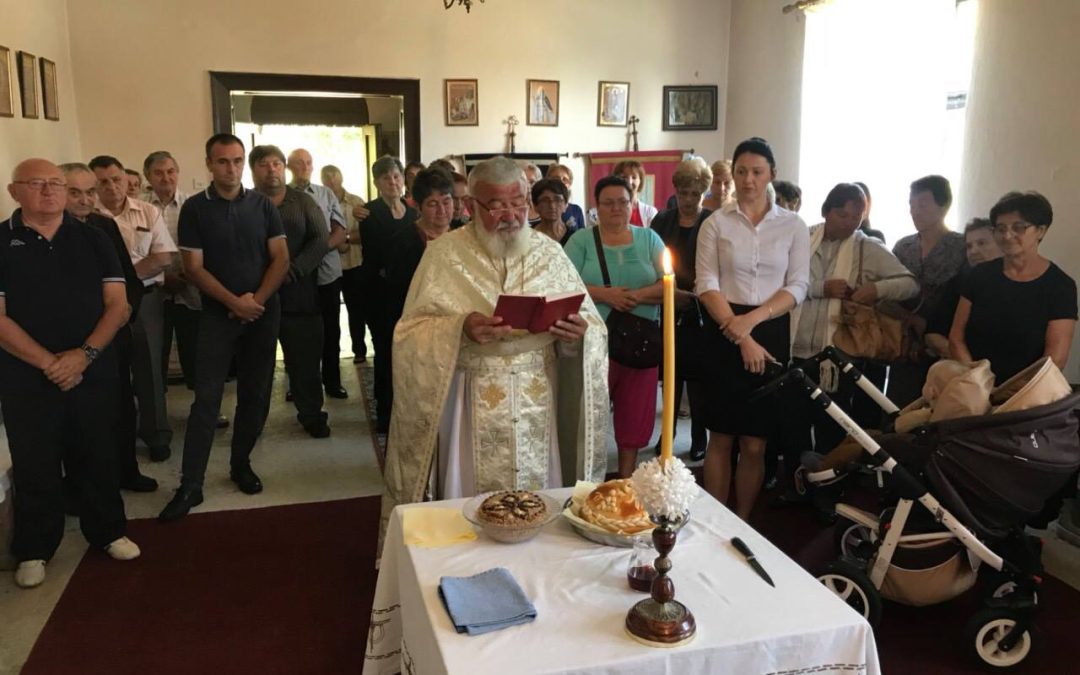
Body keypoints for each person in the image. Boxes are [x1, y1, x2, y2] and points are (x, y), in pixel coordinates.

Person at [380, 156, 608, 543]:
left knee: (539, 497)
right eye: (497, 205)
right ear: (471, 206)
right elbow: (410, 331)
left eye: (519, 203)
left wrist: (578, 335)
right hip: (469, 397)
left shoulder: (549, 253)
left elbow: (591, 324)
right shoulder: (443, 254)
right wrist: (460, 328)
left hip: (538, 394)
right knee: (469, 505)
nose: (511, 215)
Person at [1, 159, 141, 589]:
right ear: (14, 191)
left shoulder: (94, 237)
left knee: (98, 452)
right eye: (37, 183)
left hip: (92, 368)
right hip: (26, 373)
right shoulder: (2, 241)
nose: (49, 191)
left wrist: (83, 356)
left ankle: (108, 531)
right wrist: (50, 363)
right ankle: (35, 548)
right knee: (35, 461)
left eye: (55, 184)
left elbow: (117, 304)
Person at [158, 134, 290, 522]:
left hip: (262, 312)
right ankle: (191, 484)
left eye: (236, 161)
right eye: (222, 161)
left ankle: (240, 464)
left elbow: (281, 259)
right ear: (209, 164)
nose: (231, 169)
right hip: (217, 315)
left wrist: (254, 302)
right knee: (206, 400)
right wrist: (235, 303)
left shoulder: (263, 205)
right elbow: (194, 268)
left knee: (256, 393)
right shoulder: (196, 209)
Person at [694, 137, 810, 520]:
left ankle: (742, 521)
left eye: (757, 172)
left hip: (770, 327)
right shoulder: (716, 222)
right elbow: (706, 283)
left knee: (756, 442)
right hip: (722, 326)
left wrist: (752, 322)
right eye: (741, 171)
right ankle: (716, 521)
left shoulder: (793, 225)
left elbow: (798, 285)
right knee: (721, 436)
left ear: (771, 174)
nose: (748, 180)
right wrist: (740, 332)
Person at [784, 183, 918, 501]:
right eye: (842, 214)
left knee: (832, 428)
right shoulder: (801, 237)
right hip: (793, 351)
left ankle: (827, 495)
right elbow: (783, 281)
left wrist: (876, 290)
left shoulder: (865, 247)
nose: (850, 223)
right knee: (791, 425)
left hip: (837, 357)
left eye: (857, 216)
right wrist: (821, 288)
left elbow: (910, 284)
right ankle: (793, 486)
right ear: (826, 211)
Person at [60, 162, 156, 492]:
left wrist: (125, 313)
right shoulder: (45, 234)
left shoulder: (104, 226)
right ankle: (81, 485)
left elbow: (129, 279)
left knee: (121, 407)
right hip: (70, 342)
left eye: (90, 192)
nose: (85, 200)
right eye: (75, 193)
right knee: (77, 417)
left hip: (113, 335)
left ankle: (127, 471)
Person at [567, 175, 665, 477]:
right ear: (596, 207)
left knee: (634, 417)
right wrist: (604, 294)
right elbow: (563, 284)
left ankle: (626, 481)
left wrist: (638, 296)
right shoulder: (581, 241)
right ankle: (586, 482)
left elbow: (668, 284)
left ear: (632, 203)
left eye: (622, 202)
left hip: (640, 342)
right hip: (593, 342)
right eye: (608, 203)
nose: (616, 209)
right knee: (589, 416)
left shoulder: (649, 239)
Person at [89, 155, 177, 462]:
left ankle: (156, 434)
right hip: (99, 305)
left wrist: (122, 280)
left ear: (127, 179)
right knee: (106, 370)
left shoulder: (147, 211)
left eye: (116, 179)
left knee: (149, 369)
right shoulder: (86, 216)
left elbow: (163, 256)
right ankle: (112, 436)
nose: (111, 186)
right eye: (103, 182)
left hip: (146, 299)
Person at [949, 191, 1077, 383]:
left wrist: (1009, 392)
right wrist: (978, 382)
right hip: (973, 383)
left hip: (1031, 389)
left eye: (1019, 227)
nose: (1007, 236)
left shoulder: (1060, 286)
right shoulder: (979, 275)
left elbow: (1055, 359)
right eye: (1001, 229)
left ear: (1041, 231)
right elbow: (956, 338)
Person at [253, 146, 331, 437]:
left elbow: (320, 239)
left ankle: (311, 415)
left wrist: (292, 271)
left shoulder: (303, 201)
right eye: (264, 164)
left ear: (284, 167)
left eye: (276, 163)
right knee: (257, 366)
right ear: (253, 170)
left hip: (300, 295)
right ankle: (253, 420)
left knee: (305, 362)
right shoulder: (246, 203)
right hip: (257, 297)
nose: (271, 169)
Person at [649, 158, 713, 461]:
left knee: (698, 381)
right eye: (683, 193)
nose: (688, 200)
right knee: (670, 374)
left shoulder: (712, 222)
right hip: (668, 305)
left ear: (704, 193)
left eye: (695, 194)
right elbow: (652, 259)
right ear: (675, 191)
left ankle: (699, 434)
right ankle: (668, 432)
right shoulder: (662, 221)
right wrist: (670, 292)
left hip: (702, 309)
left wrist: (697, 293)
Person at [382, 168, 455, 428]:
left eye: (447, 202)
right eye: (433, 204)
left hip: (456, 327)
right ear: (418, 206)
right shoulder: (402, 242)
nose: (442, 210)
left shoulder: (464, 236)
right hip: (418, 326)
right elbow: (397, 292)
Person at [889, 175, 966, 406]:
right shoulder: (904, 246)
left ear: (943, 206)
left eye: (922, 205)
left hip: (944, 345)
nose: (915, 212)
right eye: (911, 205)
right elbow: (888, 291)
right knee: (898, 408)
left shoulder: (962, 246)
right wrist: (909, 318)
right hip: (903, 344)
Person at [360, 156, 418, 435]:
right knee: (385, 353)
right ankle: (385, 413)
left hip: (409, 293)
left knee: (408, 354)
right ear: (377, 183)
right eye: (386, 178)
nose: (393, 182)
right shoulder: (368, 213)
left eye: (396, 176)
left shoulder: (413, 213)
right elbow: (375, 257)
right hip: (380, 294)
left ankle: (406, 409)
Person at [286, 149, 349, 399]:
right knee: (298, 334)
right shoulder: (284, 196)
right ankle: (297, 385)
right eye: (298, 163)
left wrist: (316, 250)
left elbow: (340, 230)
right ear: (289, 167)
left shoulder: (326, 194)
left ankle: (332, 382)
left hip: (327, 274)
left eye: (308, 163)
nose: (304, 167)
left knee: (330, 331)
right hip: (296, 277)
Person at [924, 218, 1002, 359]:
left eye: (981, 243)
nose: (973, 251)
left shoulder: (1021, 282)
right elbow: (932, 334)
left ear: (1002, 244)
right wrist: (965, 361)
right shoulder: (958, 283)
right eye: (969, 246)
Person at [321, 164, 369, 365]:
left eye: (335, 176)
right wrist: (336, 241)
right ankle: (332, 354)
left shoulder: (356, 202)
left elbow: (367, 232)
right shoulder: (319, 201)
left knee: (356, 310)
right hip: (330, 267)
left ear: (341, 177)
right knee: (330, 314)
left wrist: (345, 238)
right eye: (327, 177)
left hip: (354, 263)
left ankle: (359, 350)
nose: (332, 181)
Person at [589, 160, 658, 228]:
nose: (629, 182)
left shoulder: (650, 212)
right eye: (624, 177)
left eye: (634, 177)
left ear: (640, 181)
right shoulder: (600, 212)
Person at [544, 163, 586, 233]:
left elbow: (583, 235)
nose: (561, 182)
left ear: (569, 185)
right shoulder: (542, 207)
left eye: (565, 179)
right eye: (556, 178)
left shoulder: (576, 210)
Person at [530, 177, 572, 245]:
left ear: (566, 205)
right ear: (535, 206)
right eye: (545, 200)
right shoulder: (528, 236)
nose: (552, 206)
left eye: (557, 200)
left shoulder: (574, 237)